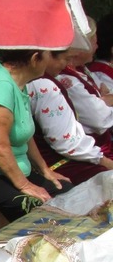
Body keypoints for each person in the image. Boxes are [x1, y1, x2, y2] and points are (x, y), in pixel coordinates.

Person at [0, 48, 75, 220]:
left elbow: (23, 131)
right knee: (33, 207)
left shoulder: (18, 82)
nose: (50, 60)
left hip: (6, 169)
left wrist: (45, 170)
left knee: (65, 189)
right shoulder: (0, 87)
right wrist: (24, 185)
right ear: (34, 59)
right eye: (48, 55)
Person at [28, 49, 113, 184]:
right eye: (65, 59)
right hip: (60, 162)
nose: (66, 65)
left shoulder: (39, 80)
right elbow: (66, 142)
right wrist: (104, 161)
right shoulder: (43, 84)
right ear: (47, 55)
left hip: (63, 157)